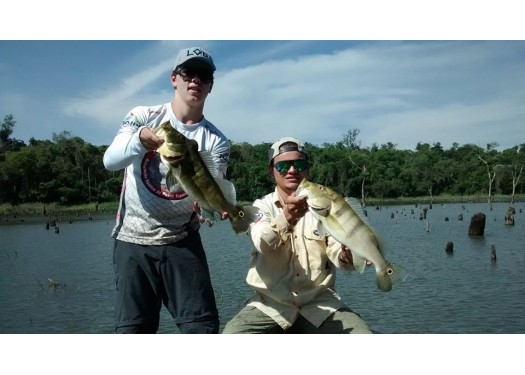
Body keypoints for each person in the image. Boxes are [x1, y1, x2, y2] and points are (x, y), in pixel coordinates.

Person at [103, 46, 228, 334]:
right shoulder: (143, 115)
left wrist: (207, 207)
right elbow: (110, 161)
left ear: (211, 85)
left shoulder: (217, 140)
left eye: (204, 75)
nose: (195, 80)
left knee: (203, 329)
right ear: (174, 78)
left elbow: (213, 184)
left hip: (183, 240)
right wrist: (138, 141)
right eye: (188, 73)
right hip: (133, 240)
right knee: (133, 331)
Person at [222, 137, 372, 334]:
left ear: (307, 170)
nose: (292, 170)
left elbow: (342, 259)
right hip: (269, 306)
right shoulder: (260, 208)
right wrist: (287, 218)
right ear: (271, 171)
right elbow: (263, 244)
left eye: (299, 164)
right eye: (283, 166)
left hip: (322, 305)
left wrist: (349, 254)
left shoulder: (326, 206)